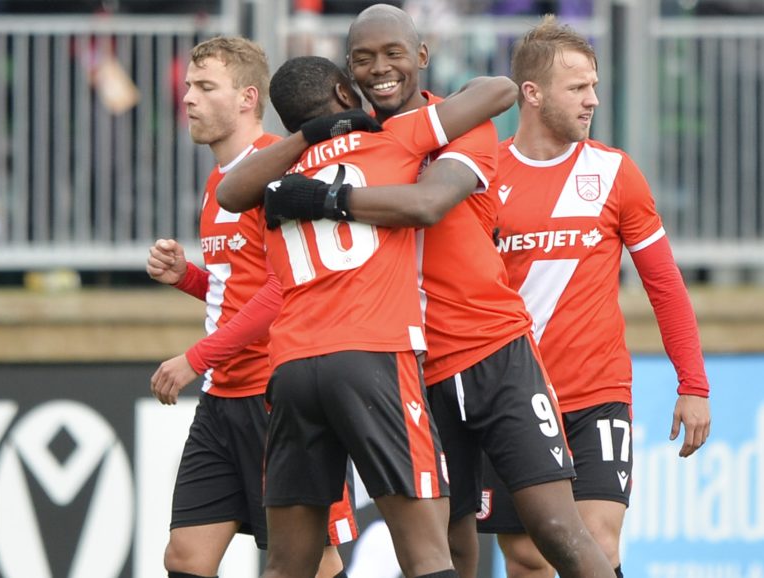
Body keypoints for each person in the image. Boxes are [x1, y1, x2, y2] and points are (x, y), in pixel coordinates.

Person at [227, 5, 616, 578]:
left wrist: (324, 199)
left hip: (492, 351)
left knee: (555, 530)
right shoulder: (357, 140)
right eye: (364, 60)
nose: (381, 70)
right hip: (414, 366)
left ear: (423, 59)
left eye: (394, 55)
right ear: (347, 76)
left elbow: (429, 204)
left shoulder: (456, 124)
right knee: (451, 551)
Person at [216, 55, 518, 578]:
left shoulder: (276, 175)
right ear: (341, 90)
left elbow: (227, 192)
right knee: (428, 553)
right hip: (373, 356)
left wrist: (309, 135)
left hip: (290, 368)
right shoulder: (392, 137)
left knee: (287, 566)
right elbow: (499, 91)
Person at [474, 16, 713, 578]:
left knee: (599, 547)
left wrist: (693, 384)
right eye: (578, 88)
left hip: (596, 392)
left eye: (595, 86)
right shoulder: (485, 176)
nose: (593, 100)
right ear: (531, 94)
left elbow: (664, 284)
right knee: (529, 557)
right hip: (513, 395)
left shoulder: (614, 172)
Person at [144, 36, 354, 578]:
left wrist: (198, 357)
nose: (187, 97)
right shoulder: (220, 182)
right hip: (223, 400)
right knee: (186, 557)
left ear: (246, 98)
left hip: (275, 392)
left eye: (204, 87)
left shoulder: (278, 171)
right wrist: (188, 276)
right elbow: (238, 289)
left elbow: (284, 289)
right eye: (189, 85)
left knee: (310, 561)